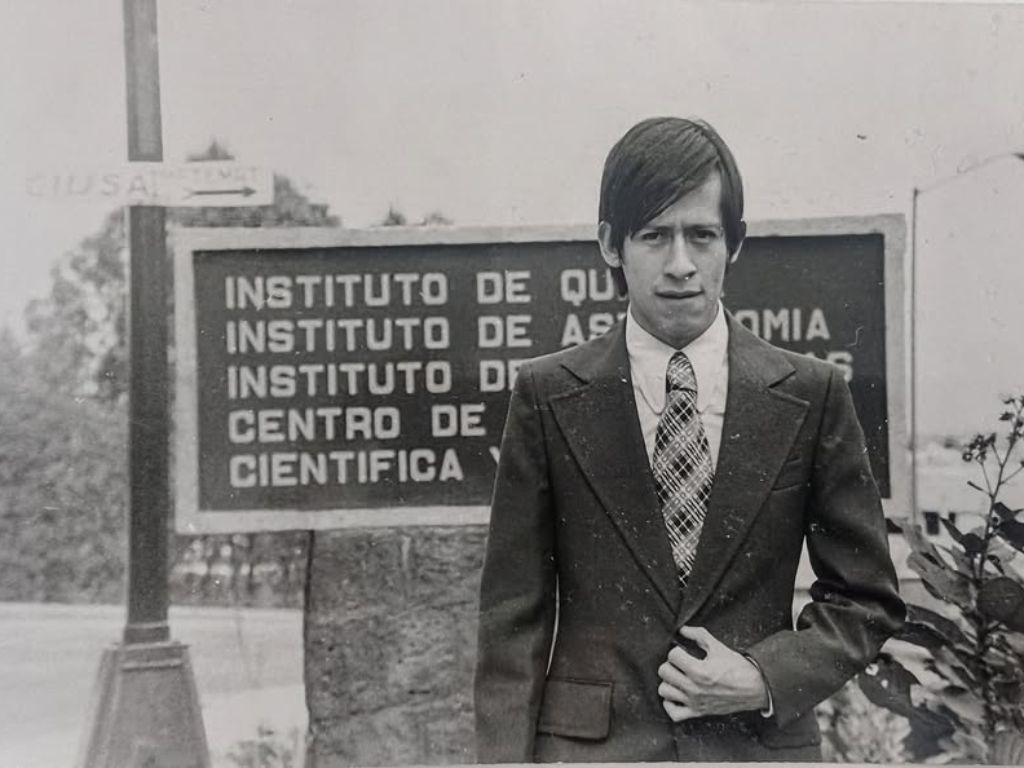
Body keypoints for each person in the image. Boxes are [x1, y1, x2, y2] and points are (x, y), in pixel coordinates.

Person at [473, 116, 905, 763]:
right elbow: (513, 620)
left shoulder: (812, 394)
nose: (680, 264)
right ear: (611, 245)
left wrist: (764, 677)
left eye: (701, 235)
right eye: (654, 236)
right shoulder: (547, 395)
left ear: (734, 243)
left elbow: (865, 597)